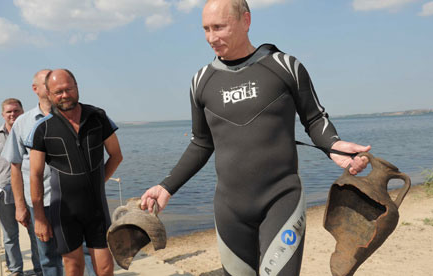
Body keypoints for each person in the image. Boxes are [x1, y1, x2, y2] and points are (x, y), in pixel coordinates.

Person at [140, 0, 371, 275]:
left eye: (219, 27)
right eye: (206, 29)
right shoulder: (201, 81)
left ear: (245, 21)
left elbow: (314, 118)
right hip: (229, 211)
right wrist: (167, 187)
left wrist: (333, 145)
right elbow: (202, 143)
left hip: (281, 201)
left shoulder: (284, 66)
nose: (211, 37)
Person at [26, 69, 123, 276]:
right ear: (49, 94)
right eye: (58, 92)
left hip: (97, 208)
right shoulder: (43, 128)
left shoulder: (98, 117)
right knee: (74, 267)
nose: (64, 95)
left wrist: (97, 182)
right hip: (64, 211)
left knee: (105, 268)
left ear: (77, 87)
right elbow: (35, 175)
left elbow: (116, 155)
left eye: (68, 89)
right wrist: (40, 218)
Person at [2, 70, 64, 275]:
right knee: (46, 256)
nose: (53, 85)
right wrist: (20, 205)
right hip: (39, 201)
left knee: (79, 253)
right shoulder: (24, 123)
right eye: (46, 82)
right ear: (35, 89)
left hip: (71, 200)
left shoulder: (71, 116)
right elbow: (16, 167)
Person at [0, 98, 42, 276]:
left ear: (22, 111)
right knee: (10, 236)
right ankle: (16, 271)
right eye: (9, 112)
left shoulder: (31, 132)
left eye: (16, 111)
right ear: (3, 114)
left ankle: (40, 269)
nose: (12, 114)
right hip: (3, 192)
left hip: (29, 190)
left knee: (36, 233)